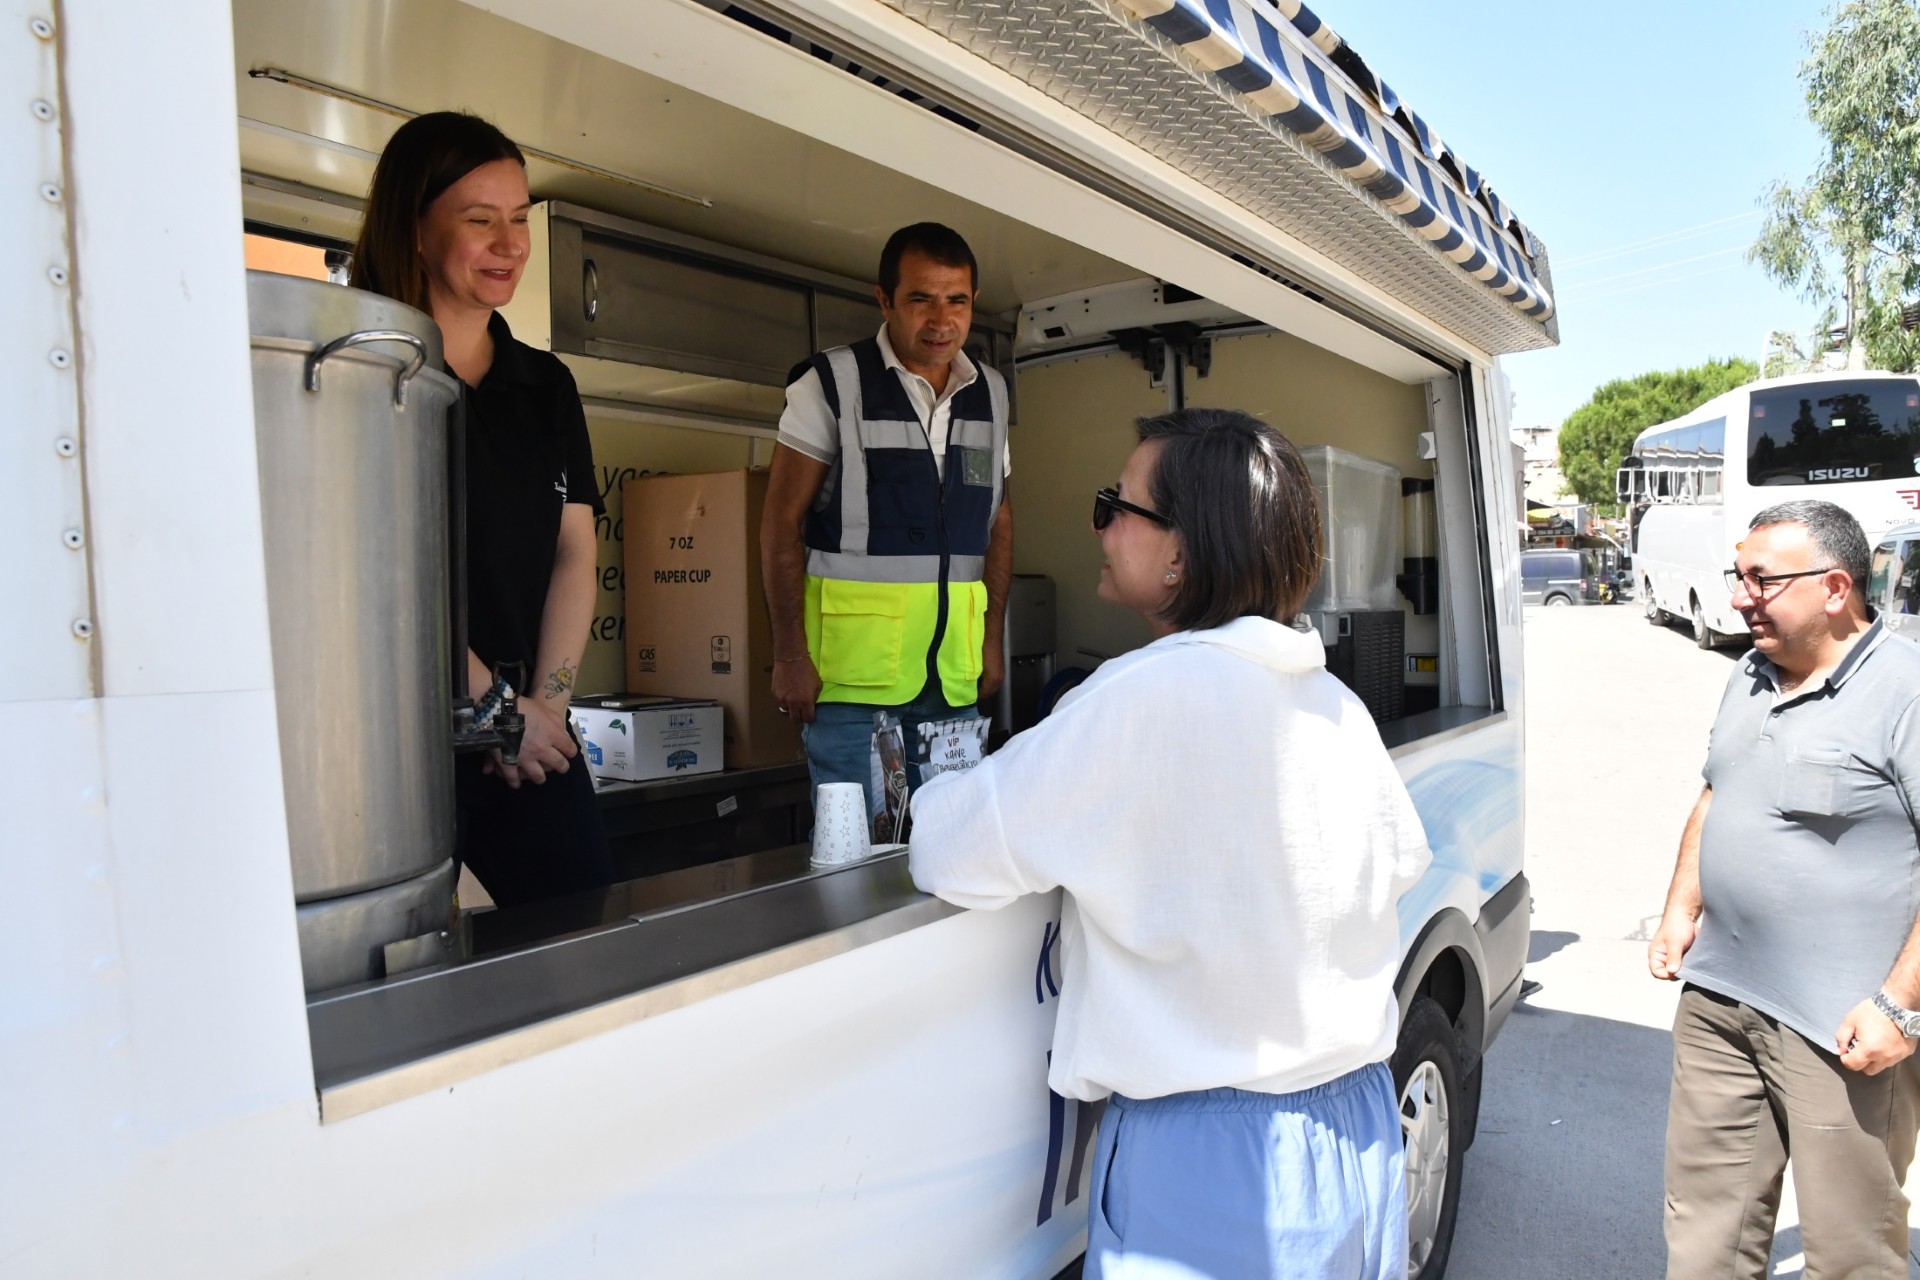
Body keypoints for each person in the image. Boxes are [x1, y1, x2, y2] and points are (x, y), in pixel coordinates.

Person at [908, 408, 1431, 1279]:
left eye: (1119, 504)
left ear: (1184, 551)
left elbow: (950, 848)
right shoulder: (1337, 705)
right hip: (1358, 1135)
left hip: (1212, 1167)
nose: (1100, 524)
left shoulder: (1137, 699)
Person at [1647, 499, 1920, 1279]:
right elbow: (1716, 794)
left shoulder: (1906, 692)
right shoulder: (1750, 673)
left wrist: (1902, 1006)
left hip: (1846, 1033)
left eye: (1760, 580)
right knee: (1705, 1227)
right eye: (1738, 577)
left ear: (1836, 588)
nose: (1738, 596)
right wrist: (1680, 908)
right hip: (1719, 1002)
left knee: (1851, 1250)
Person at [351, 111, 615, 907]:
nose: (510, 245)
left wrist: (546, 708)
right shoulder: (364, 371)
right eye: (479, 221)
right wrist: (499, 711)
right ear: (417, 229)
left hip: (526, 735)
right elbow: (377, 576)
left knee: (582, 945)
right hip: (391, 743)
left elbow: (575, 554)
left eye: (520, 220)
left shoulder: (546, 387)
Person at [759, 222, 1012, 816]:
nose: (941, 320)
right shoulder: (830, 383)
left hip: (954, 679)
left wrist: (991, 642)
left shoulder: (991, 394)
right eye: (920, 298)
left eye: (958, 301)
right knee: (859, 862)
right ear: (885, 300)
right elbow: (779, 525)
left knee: (950, 847)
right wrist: (789, 654)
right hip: (850, 685)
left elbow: (997, 525)